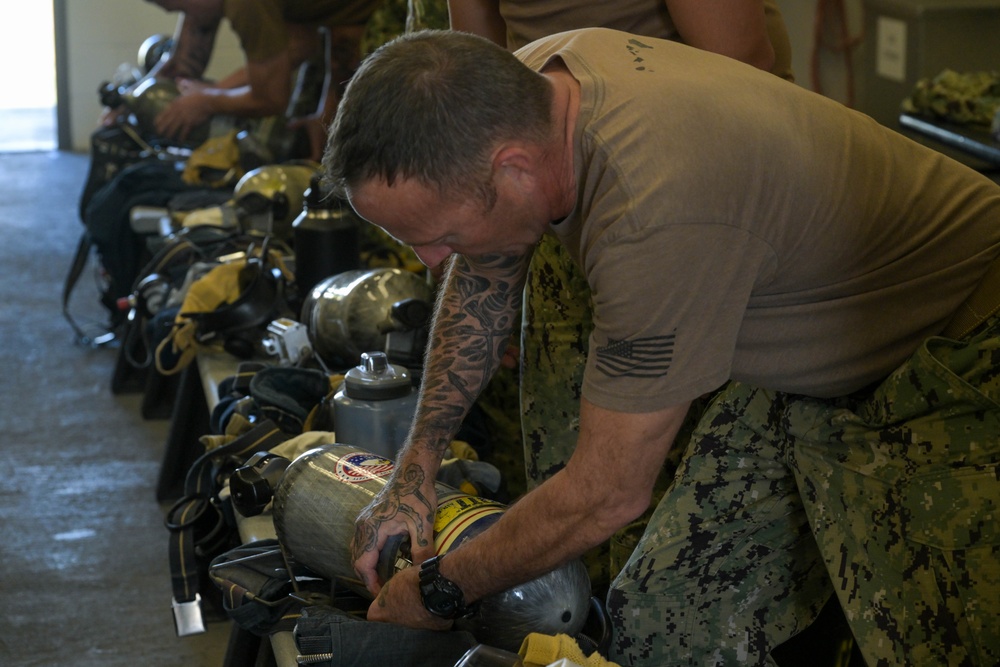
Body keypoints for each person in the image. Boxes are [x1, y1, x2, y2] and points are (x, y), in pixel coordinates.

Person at [325, 29, 1000, 665]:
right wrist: (412, 473)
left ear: (514, 170)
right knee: (664, 618)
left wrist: (439, 588)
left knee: (937, 632)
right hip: (821, 341)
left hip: (960, 347)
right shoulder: (520, 92)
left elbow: (607, 492)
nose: (430, 259)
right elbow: (485, 269)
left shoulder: (653, 216)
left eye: (438, 234)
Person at [447, 0, 798, 598]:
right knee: (566, 497)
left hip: (682, 198)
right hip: (554, 195)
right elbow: (476, 74)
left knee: (682, 538)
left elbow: (741, 63)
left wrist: (661, 230)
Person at [131, 0, 381, 159]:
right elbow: (302, 43)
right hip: (347, 19)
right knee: (327, 137)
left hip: (392, 11)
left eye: (180, 8)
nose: (184, 17)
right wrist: (129, 100)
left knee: (368, 147)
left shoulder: (246, 5)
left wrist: (207, 101)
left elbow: (271, 99)